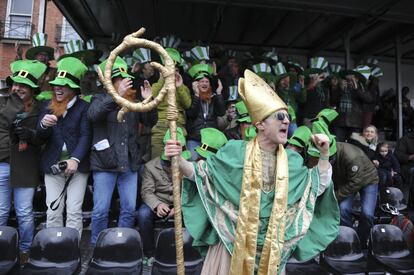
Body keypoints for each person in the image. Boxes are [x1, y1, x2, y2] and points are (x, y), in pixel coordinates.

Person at [165, 70, 339, 274]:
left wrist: (324, 154)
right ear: (260, 124)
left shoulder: (292, 161)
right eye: (280, 117)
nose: (286, 121)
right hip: (232, 243)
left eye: (288, 117)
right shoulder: (234, 151)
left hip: (271, 248)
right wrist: (176, 158)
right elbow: (200, 174)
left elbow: (317, 187)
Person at [88, 57, 156, 245]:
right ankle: (97, 247)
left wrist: (148, 100)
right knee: (101, 210)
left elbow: (150, 122)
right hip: (105, 163)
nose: (126, 81)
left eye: (126, 77)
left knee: (129, 209)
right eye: (120, 78)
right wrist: (116, 94)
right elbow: (93, 116)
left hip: (129, 163)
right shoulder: (99, 98)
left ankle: (121, 245)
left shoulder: (133, 102)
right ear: (109, 81)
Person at [37, 57, 91, 237]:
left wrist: (75, 160)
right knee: (53, 212)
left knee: (74, 212)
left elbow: (86, 135)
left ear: (74, 89)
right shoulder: (47, 106)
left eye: (63, 85)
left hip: (77, 169)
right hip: (52, 167)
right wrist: (43, 125)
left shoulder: (84, 107)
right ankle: (53, 249)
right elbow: (40, 136)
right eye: (56, 85)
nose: (58, 88)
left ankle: (71, 251)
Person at [0, 60, 47, 264]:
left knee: (25, 212)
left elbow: (43, 138)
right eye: (15, 84)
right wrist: (16, 103)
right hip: (2, 162)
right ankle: (2, 247)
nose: (17, 88)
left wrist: (31, 135)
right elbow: (3, 122)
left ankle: (25, 251)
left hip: (26, 165)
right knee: (0, 210)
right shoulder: (2, 102)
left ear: (32, 89)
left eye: (23, 85)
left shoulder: (41, 107)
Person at [137, 127, 191, 266]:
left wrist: (179, 206)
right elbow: (147, 192)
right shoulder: (150, 166)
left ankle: (188, 251)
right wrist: (158, 205)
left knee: (194, 212)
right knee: (143, 214)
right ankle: (149, 253)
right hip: (159, 202)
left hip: (181, 203)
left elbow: (191, 192)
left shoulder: (188, 165)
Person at [331, 142, 379, 248]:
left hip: (368, 180)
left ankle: (361, 242)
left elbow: (355, 183)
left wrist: (335, 196)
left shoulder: (352, 156)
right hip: (347, 179)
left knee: (367, 214)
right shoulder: (326, 151)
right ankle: (349, 239)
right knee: (343, 210)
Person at [186, 63, 226, 160]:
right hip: (195, 139)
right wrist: (196, 95)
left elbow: (221, 112)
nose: (204, 84)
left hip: (210, 141)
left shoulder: (214, 98)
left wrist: (219, 93)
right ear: (196, 84)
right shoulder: (191, 98)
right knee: (193, 163)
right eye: (201, 81)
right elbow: (191, 114)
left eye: (207, 81)